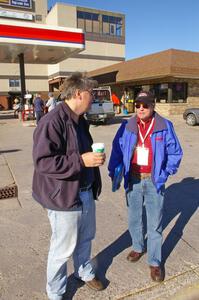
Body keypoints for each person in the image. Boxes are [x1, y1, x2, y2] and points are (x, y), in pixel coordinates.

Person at [32, 72, 106, 300]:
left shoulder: (80, 120)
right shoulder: (51, 121)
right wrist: (81, 161)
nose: (92, 98)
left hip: (85, 192)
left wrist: (92, 163)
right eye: (90, 94)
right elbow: (43, 161)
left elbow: (83, 153)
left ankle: (83, 272)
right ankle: (55, 292)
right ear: (78, 94)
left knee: (85, 238)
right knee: (62, 250)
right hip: (63, 198)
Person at [108, 91, 183, 282]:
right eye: (138, 104)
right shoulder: (127, 126)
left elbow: (175, 153)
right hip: (133, 179)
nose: (141, 108)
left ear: (153, 106)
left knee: (154, 223)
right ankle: (138, 247)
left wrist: (164, 173)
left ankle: (155, 262)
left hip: (153, 180)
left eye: (145, 105)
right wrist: (113, 172)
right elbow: (116, 149)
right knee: (134, 218)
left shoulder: (165, 126)